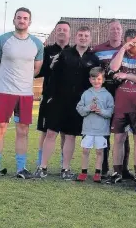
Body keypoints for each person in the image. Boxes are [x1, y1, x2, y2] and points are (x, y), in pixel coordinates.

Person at [0, 7, 44, 179]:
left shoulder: (37, 44)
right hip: (4, 92)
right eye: (19, 17)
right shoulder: (2, 40)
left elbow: (36, 68)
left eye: (25, 18)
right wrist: (6, 80)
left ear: (29, 22)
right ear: (14, 20)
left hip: (25, 94)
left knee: (23, 130)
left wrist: (22, 81)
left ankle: (21, 169)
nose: (22, 20)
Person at [35, 26, 100, 180]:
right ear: (76, 37)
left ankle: (66, 169)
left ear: (90, 39)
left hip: (78, 104)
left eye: (86, 35)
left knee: (70, 136)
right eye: (80, 35)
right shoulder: (64, 54)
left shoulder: (94, 59)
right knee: (51, 133)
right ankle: (42, 167)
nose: (83, 38)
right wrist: (50, 96)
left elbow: (95, 83)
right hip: (58, 100)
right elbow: (53, 77)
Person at [106, 29, 136, 184]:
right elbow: (113, 68)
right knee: (119, 138)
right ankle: (117, 172)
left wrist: (127, 75)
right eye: (131, 42)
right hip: (120, 104)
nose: (135, 45)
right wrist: (122, 49)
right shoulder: (120, 54)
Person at [92, 19, 131, 178]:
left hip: (123, 94)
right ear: (108, 31)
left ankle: (123, 169)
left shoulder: (128, 49)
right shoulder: (98, 49)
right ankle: (103, 167)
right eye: (112, 29)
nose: (115, 31)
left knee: (123, 132)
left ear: (122, 32)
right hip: (104, 94)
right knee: (104, 132)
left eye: (118, 29)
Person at [35, 21, 70, 168]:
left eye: (65, 30)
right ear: (55, 32)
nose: (62, 32)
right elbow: (37, 72)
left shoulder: (73, 52)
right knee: (45, 131)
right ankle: (41, 163)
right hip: (49, 98)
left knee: (65, 133)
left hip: (68, 99)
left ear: (69, 33)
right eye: (59, 29)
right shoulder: (46, 51)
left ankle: (64, 164)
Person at [75, 67, 114, 182]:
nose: (96, 81)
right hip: (88, 129)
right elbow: (80, 109)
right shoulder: (86, 94)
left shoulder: (107, 95)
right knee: (85, 150)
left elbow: (110, 112)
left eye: (98, 79)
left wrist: (100, 111)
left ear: (103, 80)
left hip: (101, 130)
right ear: (90, 79)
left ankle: (98, 172)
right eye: (93, 79)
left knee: (99, 151)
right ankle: (83, 172)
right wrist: (89, 108)